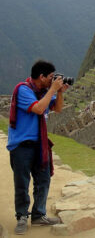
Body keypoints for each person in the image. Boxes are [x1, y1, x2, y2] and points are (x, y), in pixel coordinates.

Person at [7, 60, 69, 235]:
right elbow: (39, 109)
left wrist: (60, 92)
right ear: (41, 77)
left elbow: (57, 109)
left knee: (43, 180)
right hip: (22, 146)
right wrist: (52, 90)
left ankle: (38, 214)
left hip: (39, 144)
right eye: (51, 77)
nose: (53, 80)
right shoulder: (23, 90)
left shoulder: (44, 91)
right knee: (22, 182)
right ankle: (22, 216)